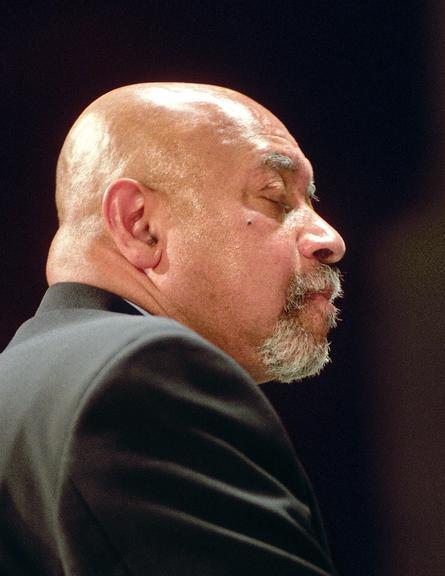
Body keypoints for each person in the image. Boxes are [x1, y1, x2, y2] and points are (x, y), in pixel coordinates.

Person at [0, 83, 345, 575]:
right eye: (274, 196)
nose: (330, 238)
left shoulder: (21, 383)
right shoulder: (144, 376)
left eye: (309, 200)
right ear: (140, 225)